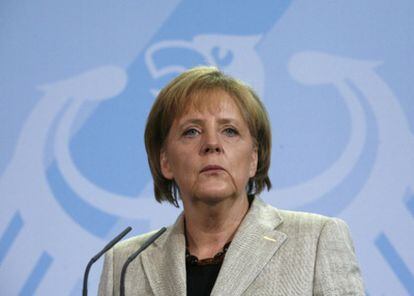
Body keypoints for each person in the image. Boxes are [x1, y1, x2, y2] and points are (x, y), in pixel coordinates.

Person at [98, 66, 365, 295]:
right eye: (191, 132)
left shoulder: (316, 240)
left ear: (253, 159)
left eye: (230, 131)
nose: (212, 144)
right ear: (165, 161)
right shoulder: (124, 263)